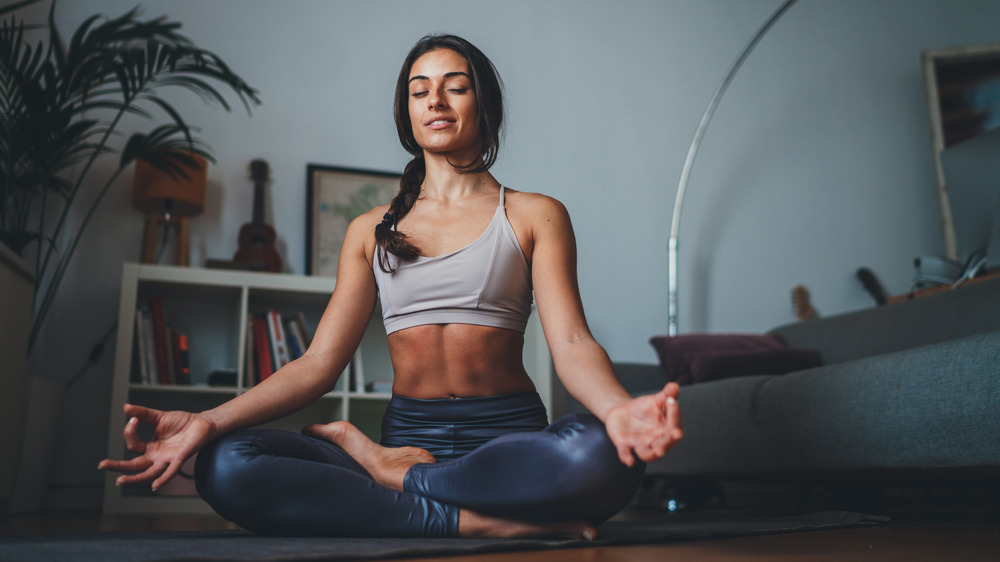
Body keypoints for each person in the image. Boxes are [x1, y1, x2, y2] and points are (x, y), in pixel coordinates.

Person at [99, 34, 683, 539]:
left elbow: (574, 344)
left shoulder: (534, 214)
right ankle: (469, 520)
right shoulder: (370, 231)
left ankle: (397, 482)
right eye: (418, 88)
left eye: (455, 85)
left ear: (486, 103)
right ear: (406, 111)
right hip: (410, 436)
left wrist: (620, 411)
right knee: (225, 464)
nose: (435, 98)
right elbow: (318, 364)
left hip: (506, 446)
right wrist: (210, 421)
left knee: (607, 455)